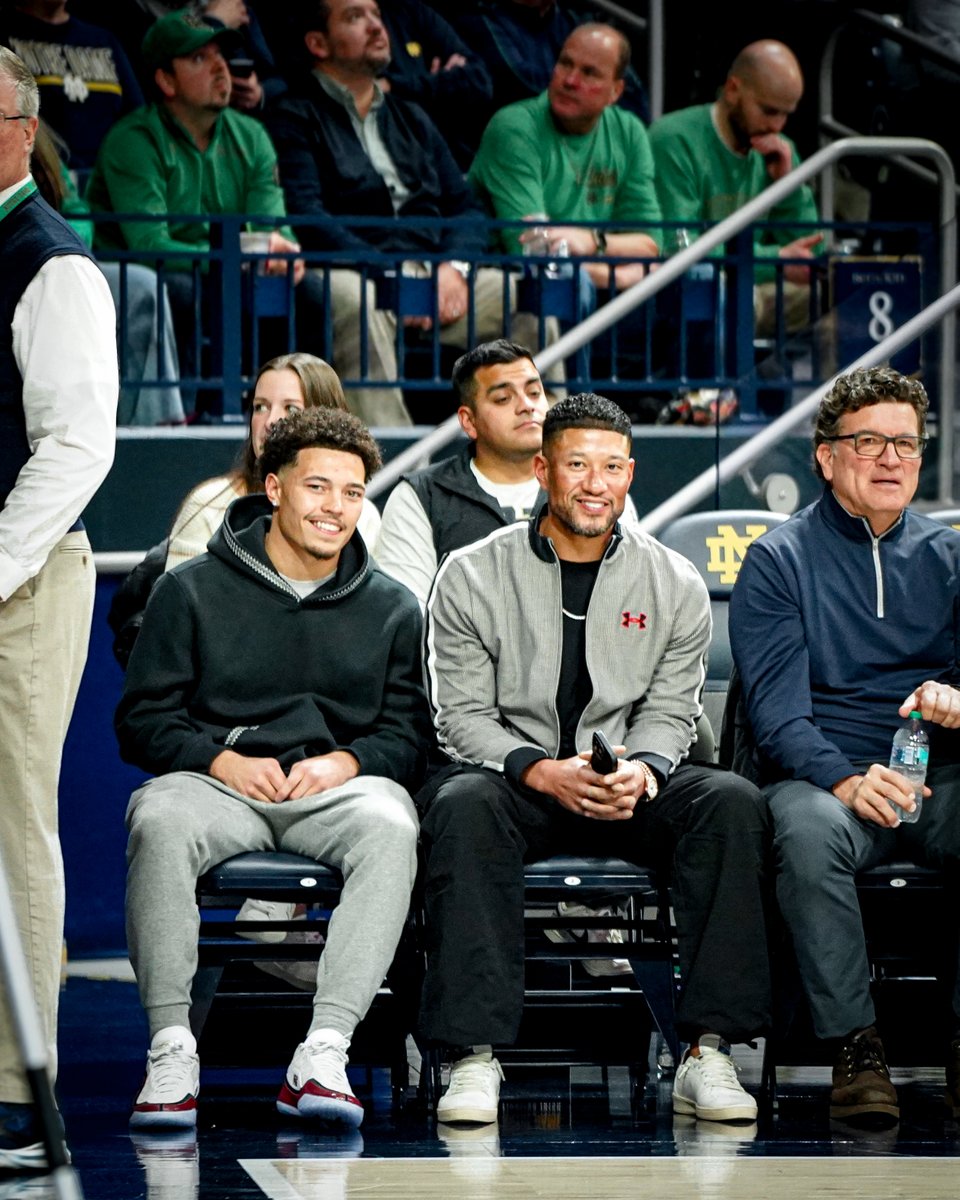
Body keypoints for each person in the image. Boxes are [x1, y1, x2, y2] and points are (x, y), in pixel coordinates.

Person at [419, 392, 771, 1127]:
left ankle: (708, 1052)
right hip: (518, 784)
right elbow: (459, 716)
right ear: (543, 470)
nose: (594, 482)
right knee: (459, 804)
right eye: (577, 463)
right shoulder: (469, 573)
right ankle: (473, 1056)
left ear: (631, 473)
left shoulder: (673, 581)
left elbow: (675, 710)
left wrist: (644, 770)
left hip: (626, 788)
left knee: (731, 802)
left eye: (611, 466)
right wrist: (540, 770)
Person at [115, 406, 430, 1130]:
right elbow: (140, 722)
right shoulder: (189, 590)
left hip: (336, 790)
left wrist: (348, 760)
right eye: (318, 487)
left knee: (392, 825)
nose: (336, 508)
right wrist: (217, 759)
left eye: (352, 493)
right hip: (218, 786)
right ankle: (171, 1048)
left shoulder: (391, 607)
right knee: (157, 817)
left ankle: (324, 1051)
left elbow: (409, 733)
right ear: (274, 487)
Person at [729, 365, 960, 1125]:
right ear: (825, 457)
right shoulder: (779, 560)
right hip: (823, 774)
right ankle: (854, 1045)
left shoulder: (950, 557)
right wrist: (846, 780)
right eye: (869, 442)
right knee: (804, 830)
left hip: (939, 775)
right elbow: (777, 717)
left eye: (906, 443)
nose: (891, 458)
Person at [0, 45, 117, 1169]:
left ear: (14, 128)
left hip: (22, 581)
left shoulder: (51, 263)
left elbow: (77, 449)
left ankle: (13, 1092)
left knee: (10, 826)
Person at [265, 0, 562, 428]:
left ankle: (547, 439)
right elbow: (306, 216)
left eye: (375, 15)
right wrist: (390, 272)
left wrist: (453, 268)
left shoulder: (412, 116)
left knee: (528, 296)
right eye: (354, 17)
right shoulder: (294, 115)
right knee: (355, 300)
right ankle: (389, 458)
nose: (375, 26)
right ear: (318, 43)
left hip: (433, 275)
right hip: (352, 271)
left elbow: (467, 208)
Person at [85, 11, 310, 413]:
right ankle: (184, 417)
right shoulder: (133, 140)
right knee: (188, 290)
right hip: (146, 281)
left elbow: (270, 225)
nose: (221, 68)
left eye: (220, 56)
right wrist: (235, 257)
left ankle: (296, 417)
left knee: (307, 290)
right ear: (165, 81)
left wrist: (276, 252)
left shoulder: (251, 135)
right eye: (198, 59)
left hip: (226, 272)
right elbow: (149, 243)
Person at [375, 337, 638, 610]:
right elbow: (409, 620)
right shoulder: (421, 497)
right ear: (469, 421)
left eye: (535, 393)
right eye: (503, 398)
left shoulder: (598, 492)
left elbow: (628, 600)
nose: (527, 406)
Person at [468, 23, 661, 293]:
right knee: (571, 283)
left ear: (616, 91)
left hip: (595, 280)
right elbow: (532, 250)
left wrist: (592, 242)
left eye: (589, 73)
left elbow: (650, 243)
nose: (570, 80)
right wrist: (623, 276)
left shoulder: (629, 132)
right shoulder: (516, 128)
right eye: (565, 64)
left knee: (695, 281)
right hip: (515, 286)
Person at [648, 39, 822, 334]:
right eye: (768, 111)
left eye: (785, 114)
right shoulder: (674, 139)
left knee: (830, 296)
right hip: (680, 292)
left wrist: (789, 186)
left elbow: (812, 254)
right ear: (732, 90)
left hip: (751, 290)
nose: (777, 126)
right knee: (723, 298)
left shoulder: (779, 150)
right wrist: (773, 261)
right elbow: (678, 246)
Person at [165, 352, 380, 569]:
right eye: (260, 407)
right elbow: (180, 599)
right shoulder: (209, 506)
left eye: (291, 408)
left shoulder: (363, 519)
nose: (270, 421)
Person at [1, 0, 144, 169]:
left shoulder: (103, 41)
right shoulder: (5, 35)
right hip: (39, 179)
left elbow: (138, 119)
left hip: (110, 180)